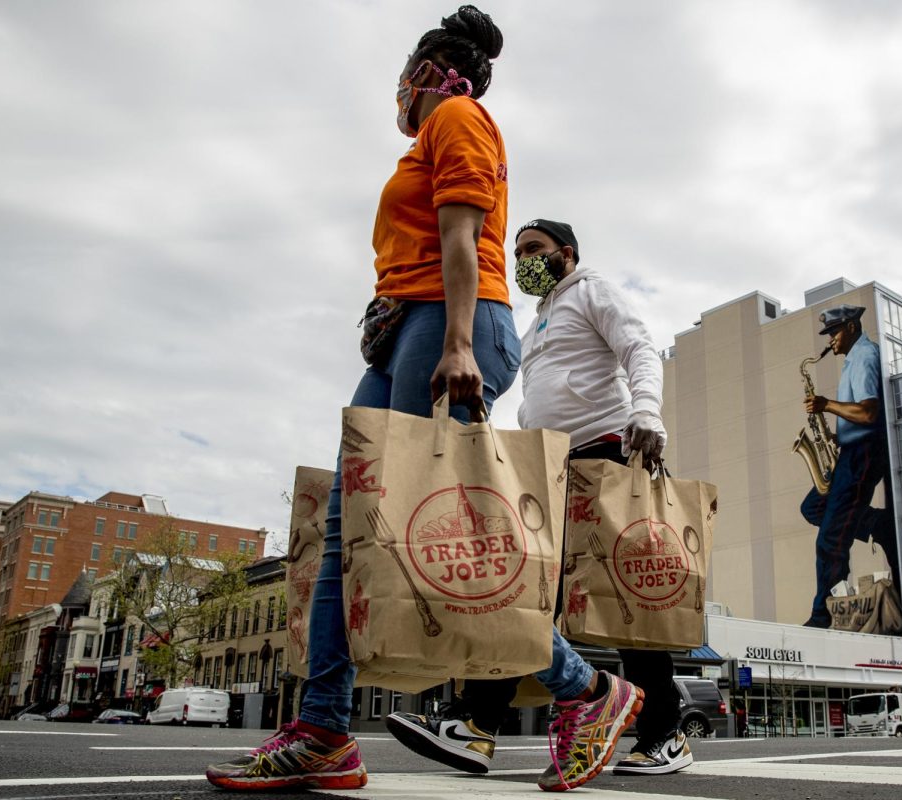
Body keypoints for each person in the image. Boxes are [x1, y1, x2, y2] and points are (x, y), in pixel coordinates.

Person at [206, 9, 639, 793]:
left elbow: (463, 236)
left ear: (434, 73)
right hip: (411, 328)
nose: (397, 93)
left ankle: (590, 692)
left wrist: (461, 343)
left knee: (439, 543)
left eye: (404, 75)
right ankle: (325, 730)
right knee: (348, 533)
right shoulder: (426, 138)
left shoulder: (461, 117)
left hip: (450, 325)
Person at [387, 219, 691, 778]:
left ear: (566, 253)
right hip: (550, 468)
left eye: (533, 249)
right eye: (518, 250)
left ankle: (665, 734)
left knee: (623, 605)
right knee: (522, 593)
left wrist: (647, 412)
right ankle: (475, 726)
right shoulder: (537, 323)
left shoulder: (592, 288)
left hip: (605, 454)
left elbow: (639, 348)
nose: (522, 258)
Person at [799, 304, 889, 629]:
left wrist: (826, 405)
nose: (830, 340)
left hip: (864, 454)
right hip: (852, 450)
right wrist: (836, 437)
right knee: (812, 507)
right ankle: (878, 526)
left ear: (850, 327)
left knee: (829, 540)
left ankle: (824, 617)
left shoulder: (865, 356)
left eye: (834, 332)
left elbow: (869, 413)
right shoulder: (854, 358)